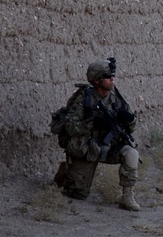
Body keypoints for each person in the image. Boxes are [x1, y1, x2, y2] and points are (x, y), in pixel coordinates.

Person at [54, 57, 141, 211]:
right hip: (88, 149)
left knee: (131, 153)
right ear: (97, 81)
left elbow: (131, 126)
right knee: (78, 194)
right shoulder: (85, 99)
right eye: (108, 77)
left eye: (113, 76)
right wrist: (93, 123)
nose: (112, 79)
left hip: (108, 146)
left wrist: (130, 120)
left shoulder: (116, 97)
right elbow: (70, 127)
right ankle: (66, 173)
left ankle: (127, 197)